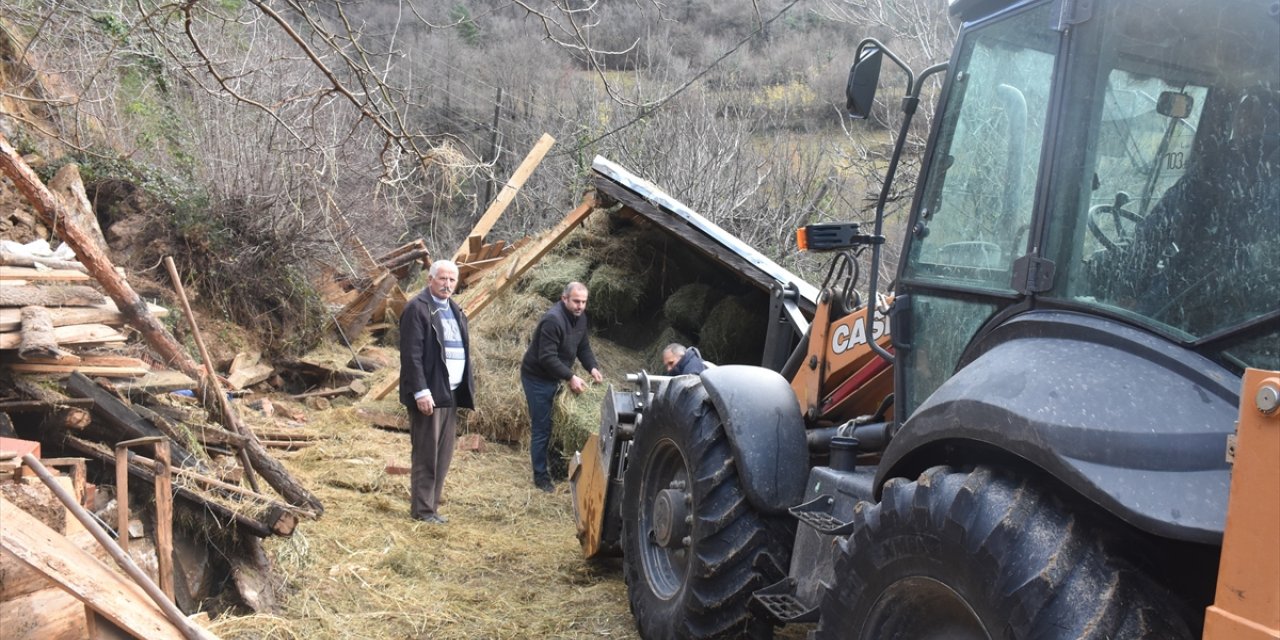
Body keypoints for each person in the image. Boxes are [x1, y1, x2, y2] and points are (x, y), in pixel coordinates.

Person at [399, 259, 474, 524]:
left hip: (449, 392)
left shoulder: (454, 309)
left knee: (443, 453)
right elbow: (411, 356)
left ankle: (431, 507)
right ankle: (422, 511)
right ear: (429, 279)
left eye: (452, 280)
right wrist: (421, 391)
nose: (447, 284)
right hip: (429, 392)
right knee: (426, 452)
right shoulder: (417, 309)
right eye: (442, 278)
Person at [520, 281, 603, 492]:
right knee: (542, 427)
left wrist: (592, 367)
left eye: (584, 302)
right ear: (564, 299)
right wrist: (570, 377)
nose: (580, 306)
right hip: (537, 378)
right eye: (576, 301)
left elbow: (583, 347)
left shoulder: (580, 318)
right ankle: (541, 477)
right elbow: (547, 357)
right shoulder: (552, 320)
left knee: (559, 424)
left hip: (556, 376)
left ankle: (557, 469)